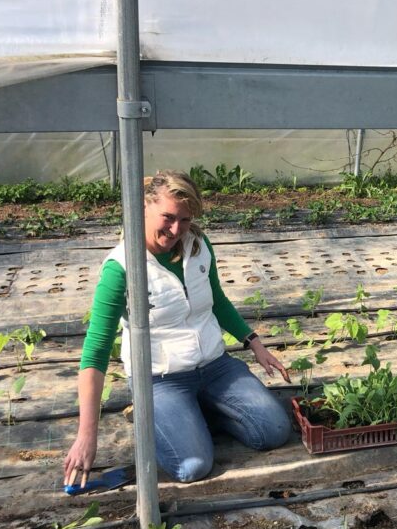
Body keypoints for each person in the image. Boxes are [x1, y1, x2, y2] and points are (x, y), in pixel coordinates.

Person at [63, 171, 292, 487]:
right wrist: (87, 435)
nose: (175, 229)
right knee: (192, 466)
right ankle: (161, 414)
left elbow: (217, 301)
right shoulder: (121, 268)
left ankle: (194, 413)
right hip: (161, 380)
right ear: (144, 207)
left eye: (184, 220)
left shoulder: (197, 244)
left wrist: (254, 342)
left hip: (215, 367)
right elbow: (96, 351)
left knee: (274, 430)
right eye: (167, 217)